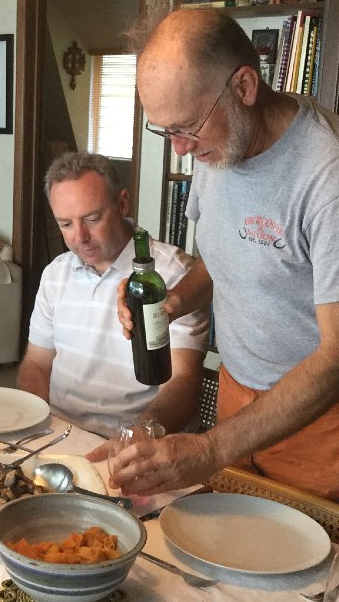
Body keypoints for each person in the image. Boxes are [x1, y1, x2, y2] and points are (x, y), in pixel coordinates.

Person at [100, 8, 339, 529]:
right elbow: (224, 257)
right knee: (231, 554)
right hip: (239, 403)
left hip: (334, 424)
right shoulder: (217, 149)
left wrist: (207, 450)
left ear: (244, 86)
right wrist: (173, 303)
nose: (180, 149)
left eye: (187, 127)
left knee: (331, 569)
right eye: (166, 131)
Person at [16, 151, 209, 438]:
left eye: (92, 219)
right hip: (57, 435)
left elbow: (183, 383)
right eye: (65, 224)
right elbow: (36, 364)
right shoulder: (56, 273)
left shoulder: (173, 276)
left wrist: (136, 437)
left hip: (132, 440)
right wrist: (32, 426)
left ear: (122, 204)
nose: (79, 237)